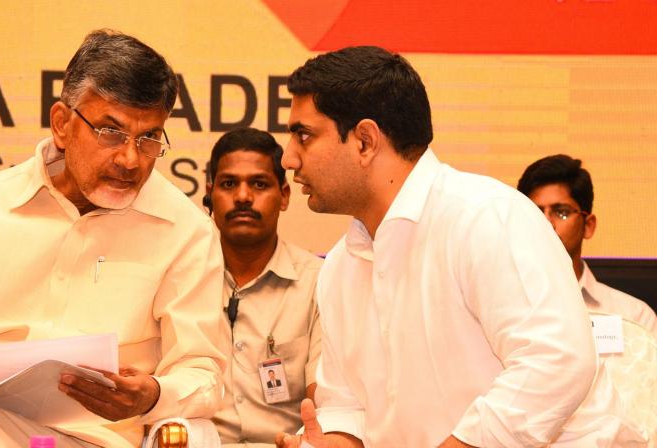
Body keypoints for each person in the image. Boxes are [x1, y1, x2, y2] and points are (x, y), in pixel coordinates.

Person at [0, 29, 226, 448]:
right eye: (111, 133)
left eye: (148, 138)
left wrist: (152, 395)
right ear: (62, 123)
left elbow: (204, 372)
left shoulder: (184, 232)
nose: (130, 159)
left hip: (88, 441)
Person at [275, 46, 598, 448]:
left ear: (364, 141)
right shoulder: (342, 263)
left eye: (303, 135)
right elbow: (348, 406)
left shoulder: (486, 217)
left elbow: (559, 362)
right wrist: (334, 441)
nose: (288, 158)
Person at [204, 128, 322, 446]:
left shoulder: (317, 283)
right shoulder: (184, 278)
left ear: (284, 195)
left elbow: (325, 404)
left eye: (259, 184)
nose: (243, 197)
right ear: (209, 194)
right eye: (229, 184)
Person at [517, 154, 657, 333]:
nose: (546, 223)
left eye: (561, 212)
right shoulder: (496, 309)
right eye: (535, 212)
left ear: (588, 225)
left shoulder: (634, 317)